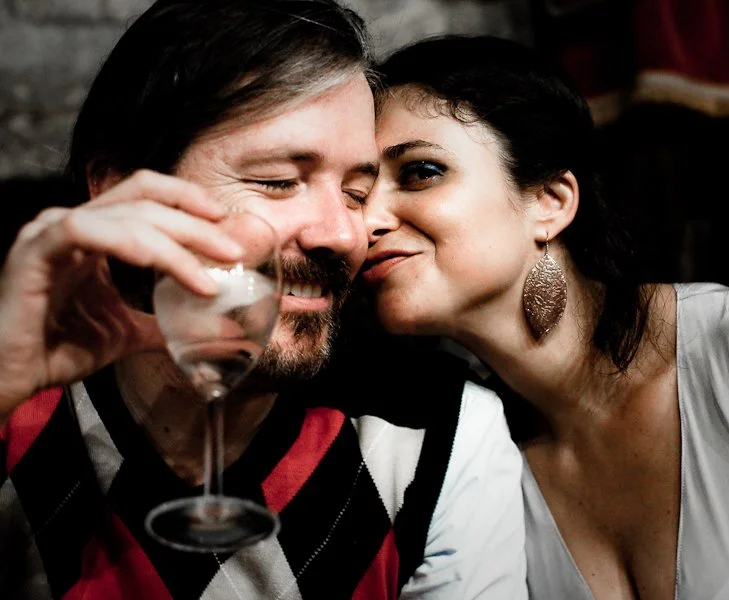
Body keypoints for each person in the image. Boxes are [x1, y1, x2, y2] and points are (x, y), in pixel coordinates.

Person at [0, 5, 527, 598]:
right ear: (122, 192)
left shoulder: (434, 435)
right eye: (278, 181)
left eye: (356, 192)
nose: (345, 234)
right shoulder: (15, 399)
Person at [362, 34, 729, 600]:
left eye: (420, 172)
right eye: (357, 191)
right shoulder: (465, 458)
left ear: (550, 200)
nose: (367, 219)